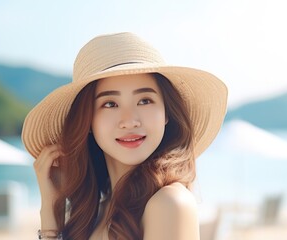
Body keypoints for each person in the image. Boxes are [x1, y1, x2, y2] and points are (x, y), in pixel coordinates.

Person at [21, 32, 228, 240]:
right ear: (88, 121)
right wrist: (50, 208)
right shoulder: (96, 212)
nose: (129, 120)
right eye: (110, 104)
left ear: (167, 113)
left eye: (145, 100)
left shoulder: (169, 204)